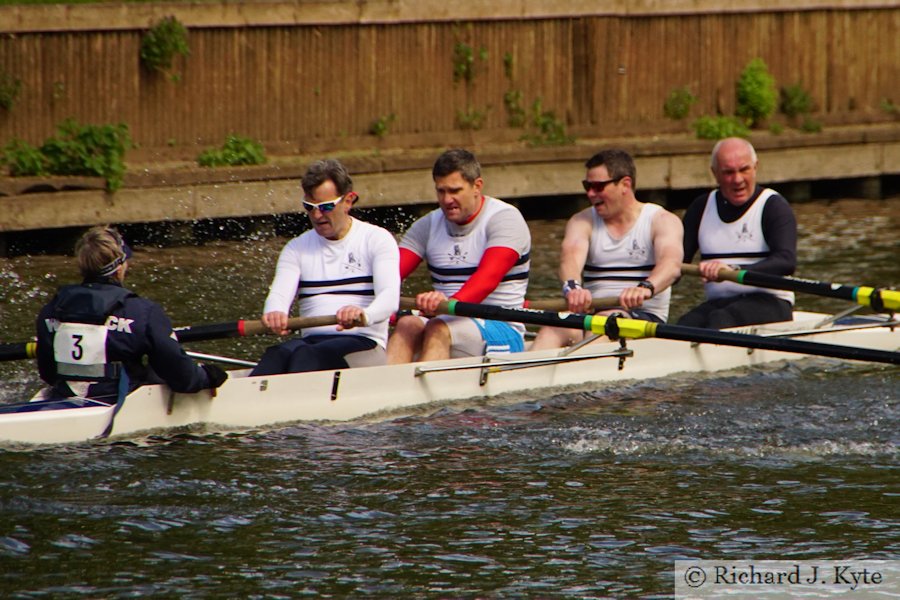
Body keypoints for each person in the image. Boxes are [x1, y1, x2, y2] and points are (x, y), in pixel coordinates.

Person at [35, 226, 228, 403]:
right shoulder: (142, 311)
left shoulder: (52, 309)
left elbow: (48, 373)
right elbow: (182, 377)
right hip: (116, 401)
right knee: (156, 368)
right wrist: (207, 376)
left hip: (63, 398)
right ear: (120, 268)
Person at [250, 159, 400, 375]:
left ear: (349, 200)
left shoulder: (376, 239)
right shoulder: (296, 248)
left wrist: (363, 315)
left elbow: (389, 298)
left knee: (306, 356)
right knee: (277, 354)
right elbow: (279, 296)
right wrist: (275, 313)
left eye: (326, 207)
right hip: (313, 343)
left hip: (363, 343)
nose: (317, 216)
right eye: (309, 208)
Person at [386, 148, 531, 362]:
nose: (447, 200)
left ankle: (429, 392)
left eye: (455, 191)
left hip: (501, 327)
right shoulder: (428, 225)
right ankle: (389, 390)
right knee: (406, 324)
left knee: (437, 326)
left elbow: (485, 282)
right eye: (441, 191)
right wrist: (376, 307)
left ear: (477, 186)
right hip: (446, 318)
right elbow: (388, 276)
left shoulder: (505, 220)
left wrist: (445, 304)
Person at [531, 149, 684, 350]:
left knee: (604, 320)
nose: (590, 194)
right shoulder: (581, 221)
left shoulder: (662, 221)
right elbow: (570, 257)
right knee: (553, 328)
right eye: (587, 186)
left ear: (625, 185)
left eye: (598, 187)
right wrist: (573, 287)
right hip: (593, 316)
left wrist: (646, 287)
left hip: (643, 318)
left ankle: (580, 373)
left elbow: (671, 265)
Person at [678, 137, 797, 329]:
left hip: (771, 302)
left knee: (721, 319)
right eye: (728, 172)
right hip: (720, 303)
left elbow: (786, 261)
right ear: (715, 174)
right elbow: (677, 263)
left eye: (744, 170)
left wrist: (732, 269)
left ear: (755, 167)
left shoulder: (773, 206)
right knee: (683, 326)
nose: (737, 180)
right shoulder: (700, 207)